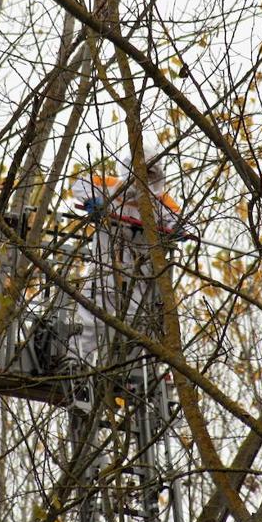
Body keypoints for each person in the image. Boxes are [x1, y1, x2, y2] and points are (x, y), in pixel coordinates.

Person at [70, 142, 182, 367]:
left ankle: (126, 371)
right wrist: (96, 202)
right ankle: (75, 363)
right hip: (104, 269)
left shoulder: (159, 203)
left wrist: (173, 232)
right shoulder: (110, 187)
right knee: (91, 318)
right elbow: (79, 185)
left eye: (149, 173)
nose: (144, 178)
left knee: (135, 321)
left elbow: (179, 221)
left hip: (139, 276)